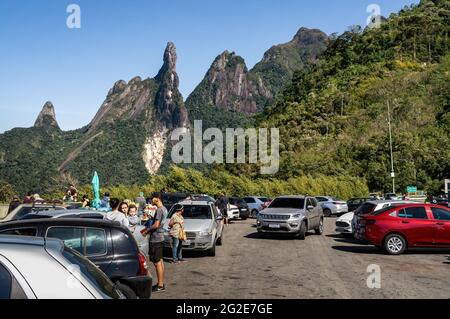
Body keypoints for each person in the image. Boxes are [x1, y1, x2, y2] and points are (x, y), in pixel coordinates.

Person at [142, 197, 167, 293]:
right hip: (160, 237)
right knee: (160, 260)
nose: (151, 201)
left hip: (156, 238)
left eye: (153, 198)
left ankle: (160, 285)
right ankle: (161, 282)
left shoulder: (160, 210)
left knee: (157, 262)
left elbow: (156, 225)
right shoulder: (164, 208)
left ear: (157, 198)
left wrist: (147, 230)